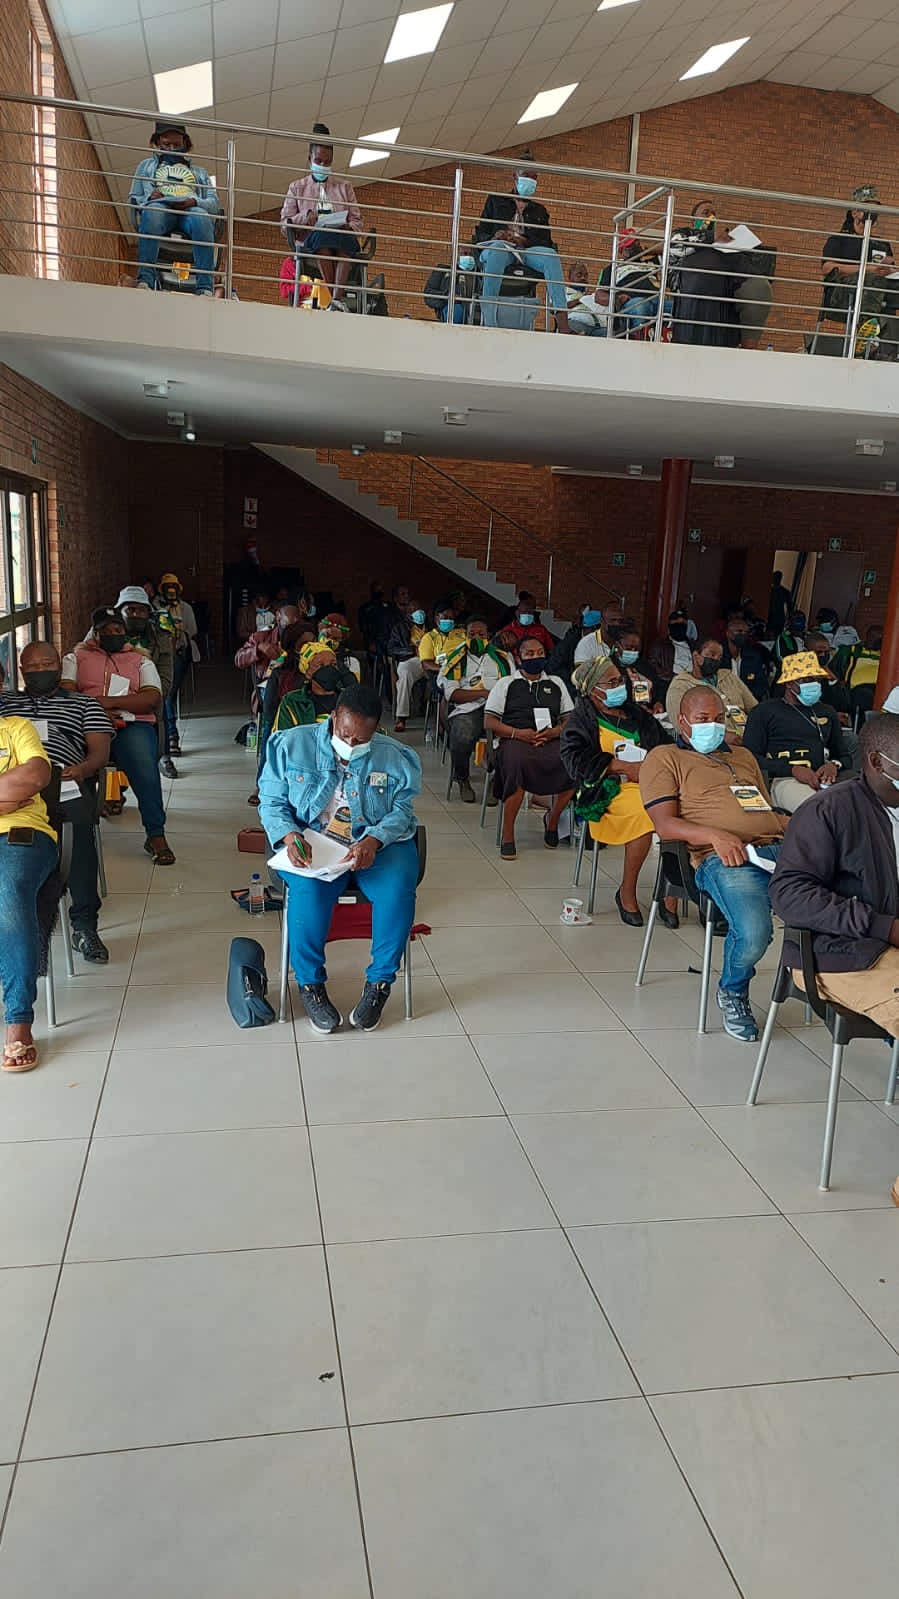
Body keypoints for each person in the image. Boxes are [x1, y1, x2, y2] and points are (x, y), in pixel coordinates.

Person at [259, 683, 421, 1034]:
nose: (350, 744)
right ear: (333, 717)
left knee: (397, 891)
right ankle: (310, 985)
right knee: (308, 894)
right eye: (345, 734)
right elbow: (271, 803)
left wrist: (374, 839)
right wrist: (289, 835)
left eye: (361, 740)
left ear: (375, 731)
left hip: (378, 843)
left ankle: (379, 983)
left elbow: (402, 811)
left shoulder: (395, 756)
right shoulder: (291, 745)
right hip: (313, 841)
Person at [639, 684, 787, 1040]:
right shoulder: (664, 757)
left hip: (776, 848)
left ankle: (837, 987)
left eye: (719, 718)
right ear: (682, 721)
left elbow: (766, 810)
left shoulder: (744, 757)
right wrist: (715, 836)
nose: (714, 726)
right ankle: (733, 990)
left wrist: (807, 826)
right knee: (754, 933)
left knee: (851, 893)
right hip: (721, 857)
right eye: (703, 718)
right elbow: (665, 824)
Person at [768, 712, 899, 1047]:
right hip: (840, 952)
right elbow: (789, 894)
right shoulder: (829, 810)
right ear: (876, 762)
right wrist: (884, 927)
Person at [0, 642, 113, 964]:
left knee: (78, 828)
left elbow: (100, 753)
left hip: (65, 781)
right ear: (21, 671)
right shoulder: (7, 703)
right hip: (14, 786)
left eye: (47, 664)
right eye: (32, 667)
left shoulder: (84, 704)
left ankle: (84, 925)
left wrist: (83, 769)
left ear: (60, 667)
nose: (40, 671)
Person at [561, 654, 676, 926]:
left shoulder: (636, 714)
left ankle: (670, 890)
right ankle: (626, 890)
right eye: (611, 682)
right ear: (593, 689)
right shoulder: (582, 720)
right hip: (609, 790)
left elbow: (665, 745)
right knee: (647, 814)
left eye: (619, 681)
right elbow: (575, 761)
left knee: (679, 810)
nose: (619, 686)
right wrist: (620, 766)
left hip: (650, 783)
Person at [62, 608, 175, 866]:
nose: (113, 633)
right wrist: (98, 712)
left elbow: (152, 698)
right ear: (95, 633)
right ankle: (80, 830)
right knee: (71, 763)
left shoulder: (141, 660)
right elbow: (67, 695)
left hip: (131, 724)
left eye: (118, 629)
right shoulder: (76, 658)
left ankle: (155, 834)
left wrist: (105, 702)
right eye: (106, 630)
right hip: (86, 725)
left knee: (144, 766)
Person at [484, 635, 575, 860]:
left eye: (540, 653)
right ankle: (508, 833)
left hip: (549, 738)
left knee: (572, 764)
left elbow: (570, 720)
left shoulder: (556, 683)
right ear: (519, 657)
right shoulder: (506, 683)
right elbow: (489, 722)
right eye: (530, 654)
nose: (536, 657)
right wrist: (518, 734)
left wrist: (554, 732)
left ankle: (553, 820)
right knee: (517, 763)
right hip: (514, 738)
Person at [0, 711, 56, 1072]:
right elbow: (21, 783)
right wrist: (7, 795)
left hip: (21, 834)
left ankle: (18, 1017)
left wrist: (15, 801)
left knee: (9, 889)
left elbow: (36, 775)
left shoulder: (15, 728)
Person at [473, 153, 571, 333]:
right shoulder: (495, 200)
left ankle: (562, 322)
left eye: (534, 177)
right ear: (515, 176)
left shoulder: (540, 210)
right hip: (500, 248)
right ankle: (489, 320)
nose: (530, 180)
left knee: (550, 256)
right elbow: (481, 233)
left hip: (526, 251)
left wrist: (523, 240)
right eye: (526, 175)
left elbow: (546, 242)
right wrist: (496, 236)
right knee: (497, 250)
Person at [742, 650, 847, 811]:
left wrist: (833, 765)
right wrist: (793, 770)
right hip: (785, 779)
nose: (814, 684)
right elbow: (749, 758)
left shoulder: (827, 711)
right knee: (819, 811)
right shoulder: (764, 712)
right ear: (789, 683)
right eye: (807, 680)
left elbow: (843, 755)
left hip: (824, 780)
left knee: (854, 810)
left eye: (817, 679)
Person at [128, 121, 221, 295]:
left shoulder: (200, 173)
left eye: (176, 144)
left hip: (190, 209)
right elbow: (135, 197)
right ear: (158, 143)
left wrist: (194, 202)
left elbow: (214, 205)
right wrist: (150, 198)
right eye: (166, 144)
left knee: (201, 217)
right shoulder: (146, 166)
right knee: (153, 212)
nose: (171, 148)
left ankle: (205, 288)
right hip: (160, 207)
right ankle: (145, 280)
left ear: (185, 143)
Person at [279, 123, 363, 310]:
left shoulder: (345, 187)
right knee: (322, 238)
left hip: (341, 236)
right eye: (319, 161)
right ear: (310, 160)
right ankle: (336, 298)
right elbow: (285, 224)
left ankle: (335, 300)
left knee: (346, 241)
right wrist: (305, 217)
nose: (323, 165)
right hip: (312, 239)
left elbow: (357, 221)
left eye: (327, 162)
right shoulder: (297, 187)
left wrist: (348, 226)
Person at [820, 185, 899, 359]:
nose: (873, 212)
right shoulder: (839, 239)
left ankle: (886, 345)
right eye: (867, 206)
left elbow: (888, 271)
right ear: (855, 212)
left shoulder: (882, 244)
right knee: (872, 279)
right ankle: (867, 335)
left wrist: (889, 269)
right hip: (843, 292)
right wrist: (868, 269)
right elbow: (827, 268)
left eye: (875, 208)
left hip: (877, 291)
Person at [438, 618, 511, 801]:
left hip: (500, 707)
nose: (477, 638)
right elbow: (452, 693)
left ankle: (496, 780)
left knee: (512, 735)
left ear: (488, 636)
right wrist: (484, 694)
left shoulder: (502, 658)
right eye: (472, 634)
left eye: (481, 634)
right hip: (468, 707)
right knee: (463, 733)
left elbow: (513, 685)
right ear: (466, 636)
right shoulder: (455, 658)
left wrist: (496, 699)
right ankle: (462, 779)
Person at [115, 585, 176, 777]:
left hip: (146, 703)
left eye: (141, 610)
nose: (136, 614)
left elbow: (165, 682)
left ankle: (163, 755)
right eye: (130, 610)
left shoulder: (160, 638)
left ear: (148, 612)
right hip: (110, 704)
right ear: (120, 611)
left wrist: (140, 697)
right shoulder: (103, 633)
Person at [667, 636, 757, 741]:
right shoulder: (680, 685)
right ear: (696, 656)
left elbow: (754, 708)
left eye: (719, 657)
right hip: (715, 742)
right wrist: (722, 736)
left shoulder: (728, 676)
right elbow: (681, 726)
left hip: (748, 734)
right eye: (711, 655)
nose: (715, 660)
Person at [394, 603, 465, 731]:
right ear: (437, 618)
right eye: (445, 617)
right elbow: (425, 662)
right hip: (425, 661)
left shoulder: (461, 633)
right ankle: (401, 717)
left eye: (451, 618)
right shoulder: (428, 635)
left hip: (457, 667)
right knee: (405, 671)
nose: (448, 620)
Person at [152, 574, 198, 760]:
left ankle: (171, 736)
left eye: (174, 587)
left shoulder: (185, 608)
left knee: (168, 694)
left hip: (178, 653)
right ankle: (169, 736)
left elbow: (193, 630)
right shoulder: (154, 607)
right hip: (157, 656)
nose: (171, 591)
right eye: (167, 587)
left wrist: (178, 632)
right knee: (164, 696)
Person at [270, 642, 357, 734]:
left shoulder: (349, 700)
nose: (328, 669)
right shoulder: (292, 702)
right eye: (320, 665)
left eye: (333, 664)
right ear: (308, 672)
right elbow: (281, 738)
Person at [235, 602, 300, 683]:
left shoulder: (301, 635)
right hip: (267, 682)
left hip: (292, 683)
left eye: (296, 627)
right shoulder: (261, 636)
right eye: (287, 627)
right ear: (278, 617)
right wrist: (259, 648)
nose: (291, 631)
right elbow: (239, 660)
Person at [832, 624, 883, 722]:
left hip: (878, 690)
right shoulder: (850, 651)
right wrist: (838, 680)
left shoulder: (886, 654)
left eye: (879, 639)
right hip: (853, 691)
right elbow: (833, 668)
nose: (874, 640)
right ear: (866, 636)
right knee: (863, 694)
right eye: (872, 636)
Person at [720, 610, 770, 701]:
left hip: (748, 701)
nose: (743, 634)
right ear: (728, 633)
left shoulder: (753, 656)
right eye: (739, 631)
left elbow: (762, 684)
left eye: (746, 632)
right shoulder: (718, 655)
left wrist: (747, 697)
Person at [647, 607, 694, 698]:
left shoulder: (693, 646)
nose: (679, 627)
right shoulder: (659, 645)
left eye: (682, 624)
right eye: (676, 624)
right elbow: (652, 667)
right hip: (670, 684)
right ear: (669, 627)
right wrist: (674, 678)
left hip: (692, 684)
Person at [609, 626, 658, 710]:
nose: (632, 651)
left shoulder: (644, 666)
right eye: (628, 648)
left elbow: (658, 687)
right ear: (617, 645)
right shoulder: (609, 667)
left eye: (636, 649)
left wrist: (658, 703)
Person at [423, 255, 478, 323]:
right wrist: (449, 297)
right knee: (457, 310)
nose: (468, 257)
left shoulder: (477, 274)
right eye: (465, 253)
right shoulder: (443, 270)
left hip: (472, 310)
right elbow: (428, 295)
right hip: (451, 307)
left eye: (470, 254)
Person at [318, 613, 361, 679]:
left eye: (327, 636)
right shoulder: (314, 656)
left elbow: (353, 684)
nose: (322, 639)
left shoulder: (351, 661)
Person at [767, 570, 793, 636]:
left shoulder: (785, 592)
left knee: (778, 635)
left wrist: (790, 618)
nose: (776, 579)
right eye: (775, 577)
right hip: (770, 617)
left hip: (779, 618)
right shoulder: (769, 590)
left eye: (778, 578)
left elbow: (790, 607)